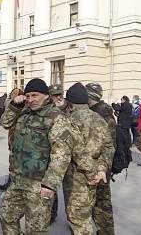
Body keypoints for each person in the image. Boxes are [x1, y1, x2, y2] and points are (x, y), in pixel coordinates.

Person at [0, 78, 72, 234]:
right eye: (28, 96)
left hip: (38, 186)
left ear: (46, 96)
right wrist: (14, 106)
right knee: (6, 216)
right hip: (18, 181)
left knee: (35, 230)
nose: (31, 100)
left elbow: (61, 153)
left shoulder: (56, 118)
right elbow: (5, 123)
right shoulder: (24, 112)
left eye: (35, 95)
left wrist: (50, 184)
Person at [63, 83, 115, 235]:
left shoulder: (68, 121)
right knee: (89, 212)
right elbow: (109, 147)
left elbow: (76, 151)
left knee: (79, 221)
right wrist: (101, 169)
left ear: (69, 103)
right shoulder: (99, 119)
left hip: (77, 179)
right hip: (97, 176)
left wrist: (92, 172)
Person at [85, 82, 117, 235]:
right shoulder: (94, 110)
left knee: (102, 202)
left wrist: (102, 168)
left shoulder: (103, 114)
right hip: (97, 165)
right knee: (97, 201)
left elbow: (109, 144)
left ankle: (106, 231)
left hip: (101, 167)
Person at [47, 84, 67, 223]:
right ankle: (52, 213)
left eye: (60, 94)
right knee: (51, 185)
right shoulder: (48, 110)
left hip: (65, 152)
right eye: (55, 95)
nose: (58, 97)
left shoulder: (69, 108)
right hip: (49, 152)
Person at [0, 88, 23, 192]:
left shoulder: (24, 107)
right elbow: (5, 122)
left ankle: (11, 184)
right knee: (13, 164)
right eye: (12, 94)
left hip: (21, 142)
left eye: (15, 95)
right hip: (13, 139)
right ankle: (10, 183)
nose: (13, 96)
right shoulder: (13, 104)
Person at [112, 95, 133, 170]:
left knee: (121, 141)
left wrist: (114, 102)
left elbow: (117, 108)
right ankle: (128, 154)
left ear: (123, 100)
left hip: (122, 125)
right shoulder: (130, 105)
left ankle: (123, 157)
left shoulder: (125, 105)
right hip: (127, 125)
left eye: (121, 100)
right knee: (127, 139)